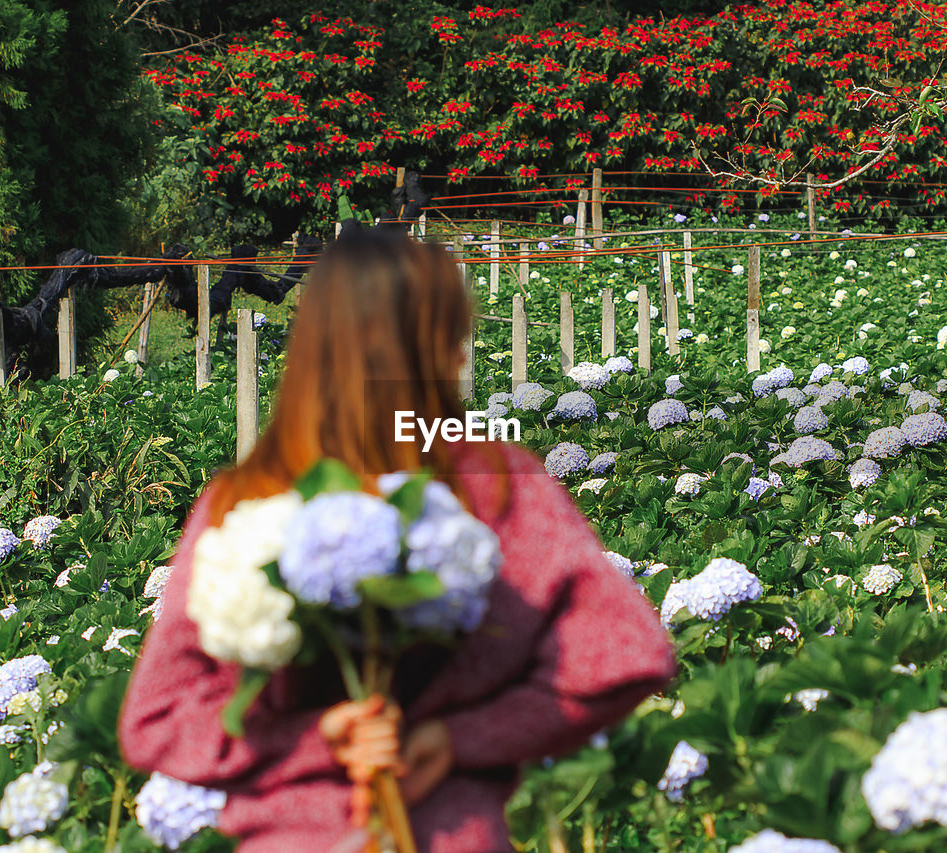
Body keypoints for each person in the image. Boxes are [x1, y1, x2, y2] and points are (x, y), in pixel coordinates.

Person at [118, 228, 677, 852]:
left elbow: (156, 720)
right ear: (444, 346)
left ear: (310, 346)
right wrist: (459, 738)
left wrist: (309, 736)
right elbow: (626, 653)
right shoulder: (496, 488)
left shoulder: (245, 500)